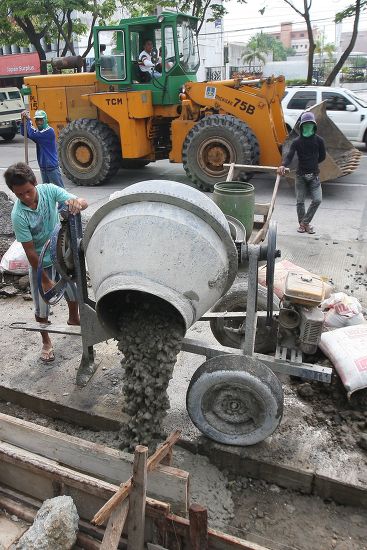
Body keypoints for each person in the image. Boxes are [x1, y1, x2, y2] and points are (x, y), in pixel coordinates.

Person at [4, 162, 88, 363]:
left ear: (34, 183)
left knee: (74, 291)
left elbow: (82, 202)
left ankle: (73, 318)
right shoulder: (18, 215)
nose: (25, 197)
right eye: (19, 195)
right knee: (42, 307)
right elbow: (30, 251)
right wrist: (43, 279)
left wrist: (77, 203)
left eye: (28, 191)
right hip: (39, 262)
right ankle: (46, 342)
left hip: (60, 254)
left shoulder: (49, 190)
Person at [278, 111, 326, 234]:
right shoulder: (296, 142)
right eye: (305, 125)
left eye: (310, 125)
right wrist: (283, 165)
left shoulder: (319, 141)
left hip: (314, 177)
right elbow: (289, 156)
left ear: (314, 126)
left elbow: (322, 157)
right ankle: (303, 224)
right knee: (300, 202)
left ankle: (304, 223)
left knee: (317, 200)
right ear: (301, 127)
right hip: (300, 177)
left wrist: (313, 163)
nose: (308, 128)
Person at [21, 109, 64, 188]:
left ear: (45, 120)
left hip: (51, 167)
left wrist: (29, 120)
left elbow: (32, 134)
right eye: (37, 120)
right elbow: (25, 133)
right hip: (43, 167)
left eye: (41, 120)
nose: (38, 123)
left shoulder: (49, 131)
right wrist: (23, 121)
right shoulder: (39, 132)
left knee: (60, 192)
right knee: (47, 192)